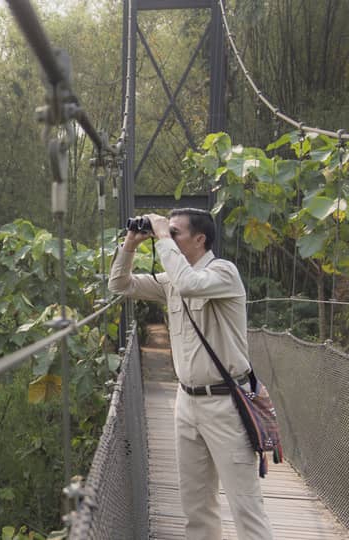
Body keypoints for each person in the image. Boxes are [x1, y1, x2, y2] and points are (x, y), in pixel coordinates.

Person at [108, 208, 273, 539]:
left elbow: (190, 283)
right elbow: (119, 284)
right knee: (195, 506)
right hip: (186, 402)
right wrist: (130, 243)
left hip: (226, 405)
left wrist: (161, 236)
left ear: (200, 239)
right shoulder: (172, 280)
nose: (165, 236)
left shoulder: (223, 273)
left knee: (245, 505)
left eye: (174, 232)